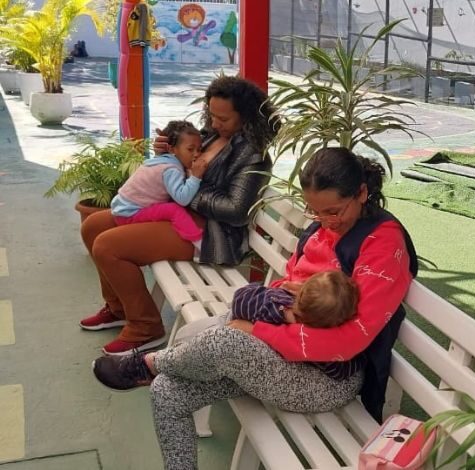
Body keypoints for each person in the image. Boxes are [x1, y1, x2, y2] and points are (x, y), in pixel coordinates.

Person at [91, 148, 418, 470]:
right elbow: (292, 284)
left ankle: (147, 364)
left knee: (225, 341)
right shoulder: (324, 227)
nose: (326, 222)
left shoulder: (382, 245)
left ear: (361, 193)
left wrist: (258, 330)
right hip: (282, 354)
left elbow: (348, 341)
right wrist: (275, 306)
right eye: (315, 212)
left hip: (325, 378)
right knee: (168, 390)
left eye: (334, 211)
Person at [79, 75, 279, 355]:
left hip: (212, 232)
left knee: (108, 246)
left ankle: (145, 327)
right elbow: (186, 163)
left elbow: (236, 211)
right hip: (179, 214)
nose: (215, 123)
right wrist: (170, 155)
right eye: (212, 114)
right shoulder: (210, 136)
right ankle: (118, 308)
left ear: (245, 117)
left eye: (224, 118)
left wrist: (187, 188)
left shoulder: (252, 156)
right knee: (94, 226)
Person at [110, 120, 207, 243]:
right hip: (130, 214)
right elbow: (183, 199)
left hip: (122, 208)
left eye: (199, 149)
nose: (196, 154)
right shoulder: (171, 169)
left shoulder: (160, 161)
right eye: (190, 149)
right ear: (172, 149)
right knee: (174, 210)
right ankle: (199, 242)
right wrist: (196, 177)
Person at [230, 270, 359, 328]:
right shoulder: (315, 341)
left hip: (237, 324)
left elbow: (239, 299)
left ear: (301, 290)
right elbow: (339, 370)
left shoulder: (274, 305)